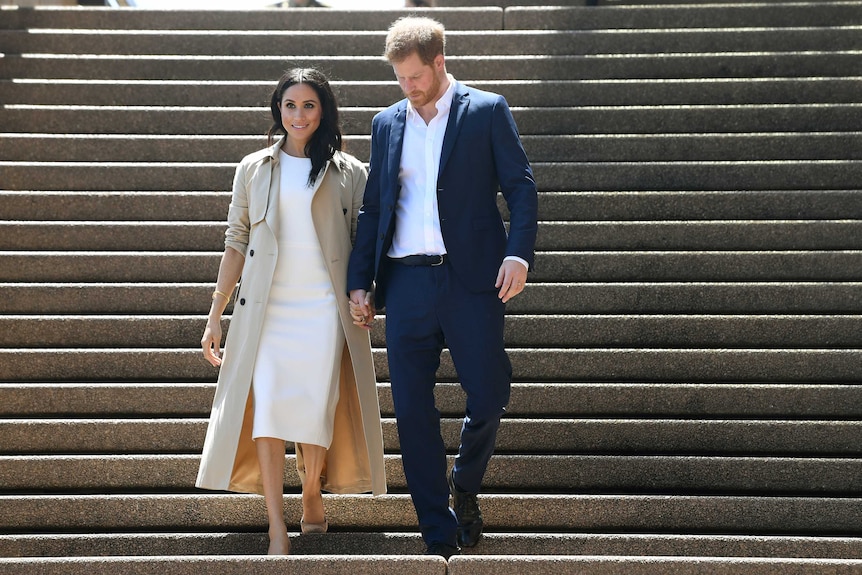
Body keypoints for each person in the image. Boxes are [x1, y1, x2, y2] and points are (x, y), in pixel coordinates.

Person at [346, 17, 538, 559]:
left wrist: (517, 253)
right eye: (400, 78)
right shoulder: (387, 123)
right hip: (405, 282)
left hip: (471, 277)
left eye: (415, 76)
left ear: (439, 63)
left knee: (489, 391)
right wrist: (361, 282)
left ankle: (466, 482)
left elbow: (521, 188)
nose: (408, 87)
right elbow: (375, 207)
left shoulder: (486, 110)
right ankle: (437, 528)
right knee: (410, 408)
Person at [196, 68, 386, 556]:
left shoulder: (350, 172)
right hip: (267, 309)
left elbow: (367, 245)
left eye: (308, 106)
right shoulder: (253, 168)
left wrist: (366, 293)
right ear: (277, 111)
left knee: (313, 409)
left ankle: (310, 490)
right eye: (289, 105)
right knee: (271, 413)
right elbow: (236, 240)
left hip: (324, 308)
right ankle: (276, 525)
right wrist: (216, 313)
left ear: (324, 112)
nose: (298, 115)